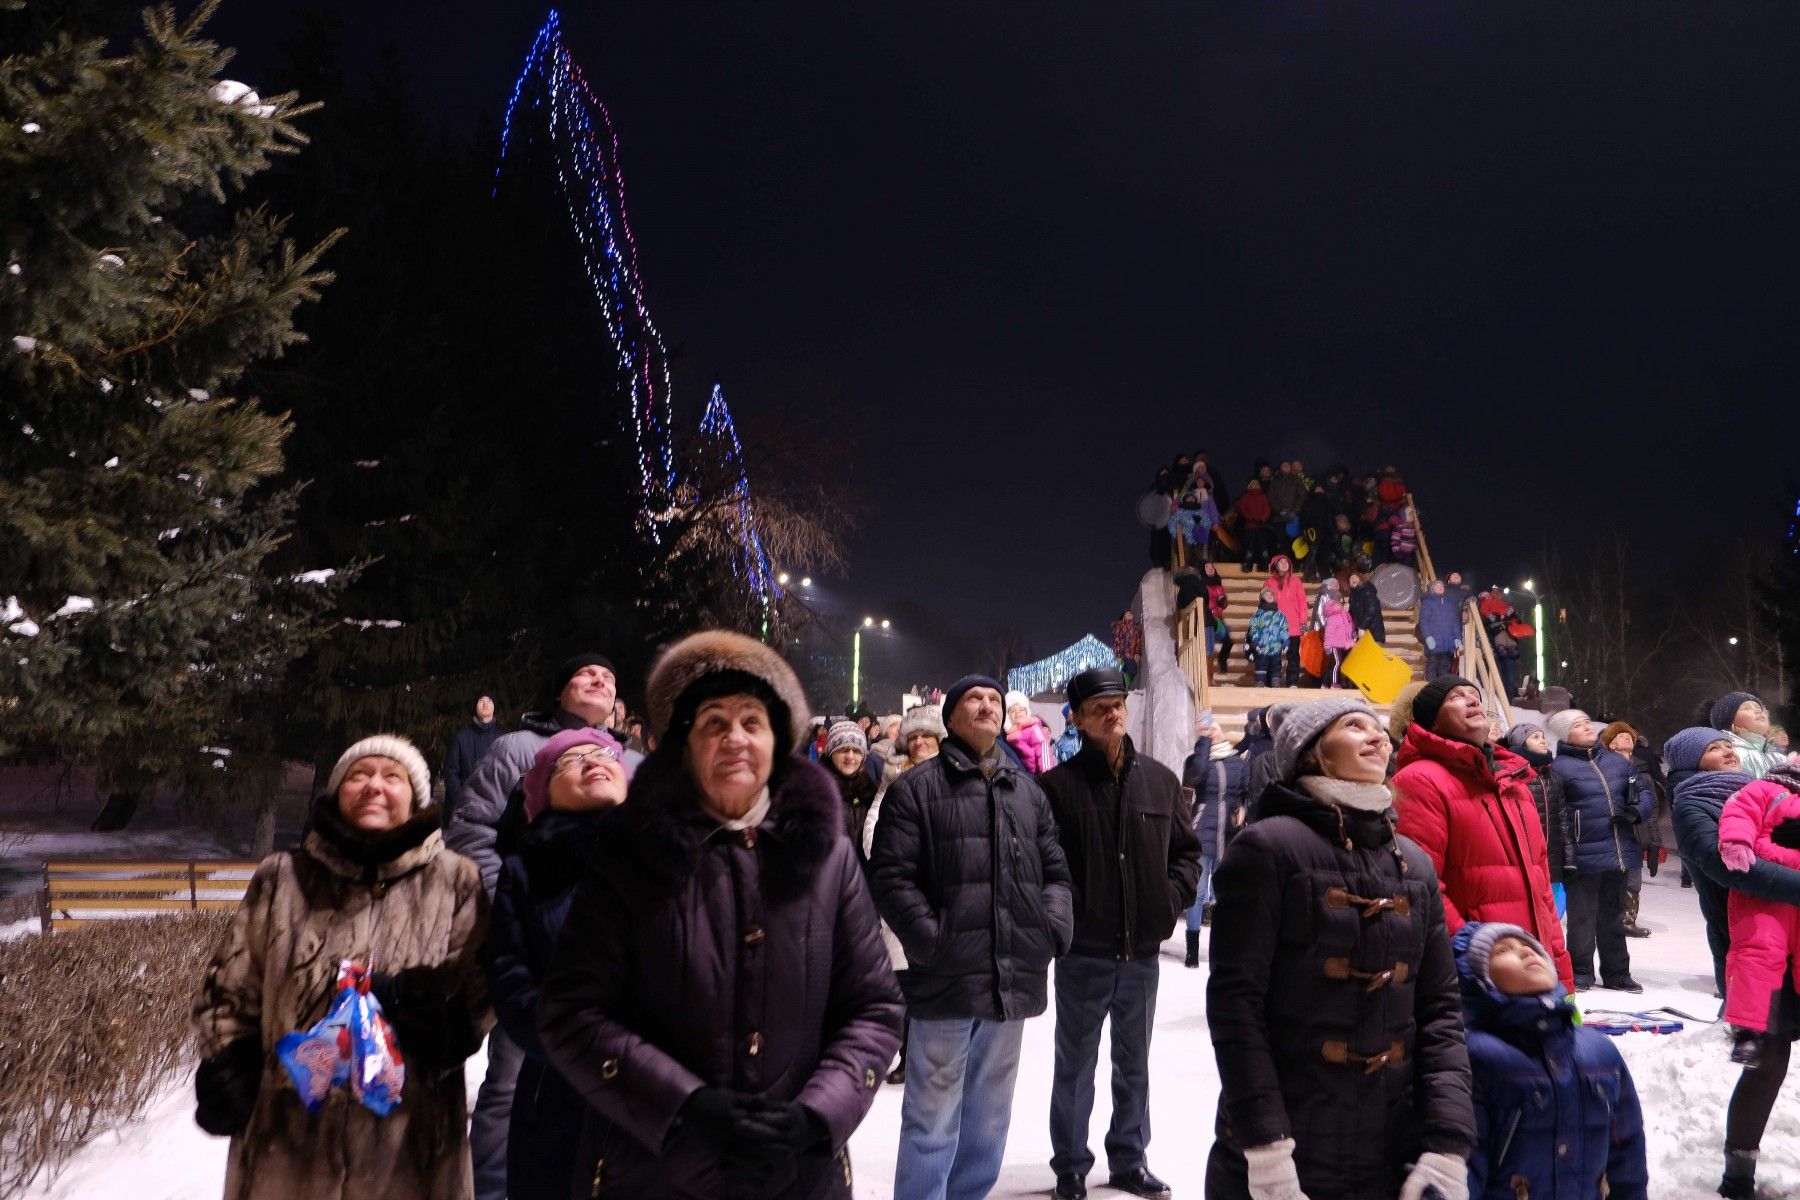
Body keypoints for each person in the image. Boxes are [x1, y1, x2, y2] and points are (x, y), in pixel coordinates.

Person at [537, 630, 903, 1198]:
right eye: (713, 722)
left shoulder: (826, 856)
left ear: (777, 739)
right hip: (653, 1166)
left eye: (751, 721)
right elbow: (571, 1012)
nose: (735, 738)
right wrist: (684, 1105)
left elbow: (874, 1009)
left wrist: (814, 1117)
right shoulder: (630, 852)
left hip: (799, 1170)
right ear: (684, 743)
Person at [192, 735, 490, 1200]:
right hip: (287, 1145)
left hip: (410, 1143)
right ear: (336, 793)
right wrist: (231, 1062)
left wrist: (436, 1012)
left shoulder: (456, 881)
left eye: (393, 777)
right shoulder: (282, 877)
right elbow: (230, 989)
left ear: (415, 799)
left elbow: (477, 992)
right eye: (359, 775)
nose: (375, 786)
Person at [1206, 695, 1475, 1200]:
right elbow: (1236, 1007)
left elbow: (1439, 1011)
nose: (1378, 736)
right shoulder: (1267, 847)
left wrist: (1446, 1141)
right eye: (1354, 726)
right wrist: (1265, 1146)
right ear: (1312, 752)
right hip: (1287, 1149)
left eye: (1378, 727)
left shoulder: (1412, 863)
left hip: (1386, 1153)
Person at [869, 674, 1074, 1200]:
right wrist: (933, 942)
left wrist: (1049, 931)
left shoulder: (1027, 790)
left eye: (994, 700)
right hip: (945, 983)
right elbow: (891, 878)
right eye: (974, 699)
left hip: (1012, 979)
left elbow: (1056, 873)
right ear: (951, 717)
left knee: (989, 1120)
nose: (987, 706)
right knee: (932, 1119)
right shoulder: (916, 789)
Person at [444, 651, 635, 1200]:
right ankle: (494, 1191)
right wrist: (513, 908)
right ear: (560, 692)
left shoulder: (630, 761)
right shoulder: (519, 749)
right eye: (585, 673)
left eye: (609, 676)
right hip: (538, 954)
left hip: (614, 967)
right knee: (511, 1082)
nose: (599, 680)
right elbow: (473, 830)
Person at [1038, 668, 1200, 1200]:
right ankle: (1069, 1165)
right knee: (1075, 1068)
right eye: (1098, 708)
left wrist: (1169, 899)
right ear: (1079, 720)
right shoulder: (1057, 789)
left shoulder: (1159, 779)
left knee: (1134, 1064)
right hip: (1084, 954)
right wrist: (1069, 916)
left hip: (1141, 956)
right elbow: (1046, 866)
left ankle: (1129, 1158)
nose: (1112, 713)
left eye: (1117, 703)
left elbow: (1186, 853)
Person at [482, 728, 633, 1199]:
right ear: (543, 792)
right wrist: (573, 1042)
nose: (593, 762)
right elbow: (510, 978)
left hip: (663, 1095)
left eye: (604, 754)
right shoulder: (524, 870)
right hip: (557, 1089)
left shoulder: (672, 852)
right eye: (572, 761)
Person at [1667, 728, 1800, 1199]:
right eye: (1711, 748)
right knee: (1768, 1061)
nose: (1725, 751)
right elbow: (1727, 865)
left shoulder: (1777, 789)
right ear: (1689, 761)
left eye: (1727, 745)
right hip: (1755, 945)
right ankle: (1738, 1173)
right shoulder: (1692, 803)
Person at [1391, 678, 1575, 989]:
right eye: (1456, 697)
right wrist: (1479, 957)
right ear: (1431, 719)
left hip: (1532, 974)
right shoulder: (1419, 780)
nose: (1472, 700)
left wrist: (1560, 976)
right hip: (1477, 980)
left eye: (1475, 695)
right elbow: (1422, 887)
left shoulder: (1514, 783)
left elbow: (1541, 890)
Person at [1453, 922, 1647, 1200]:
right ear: (1479, 978)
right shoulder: (1477, 1055)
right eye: (1504, 950)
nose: (1525, 953)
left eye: (1531, 947)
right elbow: (1464, 1162)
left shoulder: (1600, 1051)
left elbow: (1627, 1149)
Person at [1545, 709, 1651, 992]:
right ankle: (1580, 971)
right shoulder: (1559, 768)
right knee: (1582, 916)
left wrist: (1636, 812)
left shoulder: (1617, 762)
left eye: (1587, 722)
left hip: (1618, 850)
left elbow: (1645, 793)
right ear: (1567, 735)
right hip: (1583, 853)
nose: (1588, 728)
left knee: (1613, 914)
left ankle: (1617, 973)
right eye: (1578, 726)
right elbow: (1555, 813)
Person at [1716, 767, 1800, 1066]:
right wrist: (1736, 842)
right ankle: (1748, 1031)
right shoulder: (1766, 788)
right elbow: (1739, 812)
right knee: (1758, 953)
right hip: (1766, 894)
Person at [1182, 708, 1249, 965]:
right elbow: (1195, 775)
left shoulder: (1238, 762)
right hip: (1202, 829)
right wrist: (1204, 742)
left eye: (1216, 729)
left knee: (1224, 893)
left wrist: (1243, 808)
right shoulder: (1199, 759)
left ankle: (1221, 947)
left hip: (1229, 833)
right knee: (1197, 893)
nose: (1215, 731)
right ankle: (1192, 951)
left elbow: (1245, 791)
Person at [1500, 723, 1574, 893]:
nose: (1543, 741)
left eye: (1543, 737)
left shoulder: (1554, 777)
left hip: (1552, 862)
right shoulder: (1513, 774)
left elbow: (1563, 821)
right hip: (1523, 861)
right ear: (1522, 743)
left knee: (1552, 914)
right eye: (1535, 737)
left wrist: (1569, 860)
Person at [1601, 721, 1657, 938]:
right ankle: (1606, 917)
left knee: (1633, 878)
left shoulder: (1641, 770)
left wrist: (1654, 841)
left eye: (1630, 735)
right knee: (1609, 876)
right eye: (1620, 735)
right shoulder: (1601, 767)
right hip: (1609, 830)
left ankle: (1627, 920)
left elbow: (1651, 808)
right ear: (1611, 744)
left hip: (1634, 832)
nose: (1627, 737)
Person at [822, 718, 879, 854]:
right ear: (831, 753)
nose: (850, 756)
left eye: (856, 750)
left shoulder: (869, 791)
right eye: (843, 749)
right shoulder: (816, 791)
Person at [441, 694, 502, 818]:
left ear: (494, 706)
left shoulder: (503, 739)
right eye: (481, 700)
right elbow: (450, 773)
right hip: (464, 810)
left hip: (495, 811)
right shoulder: (460, 738)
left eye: (489, 701)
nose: (485, 704)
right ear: (475, 706)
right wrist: (462, 800)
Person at [1711, 691, 1792, 778]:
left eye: (1759, 707)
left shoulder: (1779, 757)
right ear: (1729, 721)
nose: (1758, 711)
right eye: (1746, 708)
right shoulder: (1730, 756)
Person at [1264, 555, 1308, 687]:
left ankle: (1292, 682)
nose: (1284, 564)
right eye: (1281, 562)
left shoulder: (1296, 581)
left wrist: (1303, 623)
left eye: (1286, 562)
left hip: (1293, 625)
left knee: (1293, 656)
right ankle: (1272, 681)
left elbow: (1302, 602)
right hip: (1275, 626)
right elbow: (1265, 603)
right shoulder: (1268, 583)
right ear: (1275, 565)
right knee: (1273, 655)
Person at [1418, 579, 1462, 680]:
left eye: (1442, 585)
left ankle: (1442, 690)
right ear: (1432, 588)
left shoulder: (1449, 604)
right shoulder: (1428, 602)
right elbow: (1424, 620)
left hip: (1447, 643)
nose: (1440, 587)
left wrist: (1457, 638)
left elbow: (1454, 622)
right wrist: (1428, 636)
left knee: (1444, 667)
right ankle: (1431, 690)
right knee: (1432, 666)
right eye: (1437, 586)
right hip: (1433, 641)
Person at [1316, 578, 1356, 688]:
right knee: (1336, 664)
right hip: (1334, 644)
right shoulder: (1333, 618)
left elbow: (1350, 628)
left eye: (1339, 603)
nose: (1339, 605)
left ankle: (1325, 683)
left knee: (1336, 664)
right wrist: (1327, 645)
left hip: (1344, 644)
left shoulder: (1345, 616)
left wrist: (1352, 639)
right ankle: (1335, 683)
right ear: (1331, 608)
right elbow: (1329, 632)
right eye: (1335, 604)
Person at [1006, 690, 1057, 774]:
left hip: (1038, 773)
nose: (1017, 712)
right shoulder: (1008, 735)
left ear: (1027, 712)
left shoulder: (1033, 728)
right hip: (1022, 774)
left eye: (1021, 709)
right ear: (1008, 716)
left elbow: (1043, 747)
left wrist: (1046, 770)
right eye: (1013, 711)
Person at [1249, 588, 1289, 688]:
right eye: (1267, 595)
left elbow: (1284, 628)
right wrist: (1256, 642)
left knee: (1276, 664)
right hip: (1262, 645)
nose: (1270, 596)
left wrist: (1285, 642)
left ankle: (1275, 681)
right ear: (1262, 599)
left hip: (1276, 645)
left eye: (1271, 595)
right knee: (1261, 663)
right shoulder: (1258, 615)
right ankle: (1260, 682)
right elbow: (1253, 628)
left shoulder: (1280, 614)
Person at [1234, 479, 1274, 572]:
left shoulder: (1264, 496)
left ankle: (1264, 566)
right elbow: (1243, 509)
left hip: (1262, 526)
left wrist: (1262, 519)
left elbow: (1267, 509)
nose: (1255, 485)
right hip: (1250, 526)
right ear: (1250, 486)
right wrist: (1251, 518)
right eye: (1253, 484)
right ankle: (1248, 565)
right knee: (1250, 546)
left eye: (1257, 484)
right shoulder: (1245, 497)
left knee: (1263, 546)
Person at [1347, 571, 1384, 646]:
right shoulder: (1353, 594)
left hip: (1372, 630)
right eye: (1351, 579)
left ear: (1361, 579)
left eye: (1355, 577)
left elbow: (1371, 610)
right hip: (1363, 630)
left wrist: (1362, 627)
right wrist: (1348, 606)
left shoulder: (1367, 590)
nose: (1353, 579)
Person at [1112, 610, 1143, 688]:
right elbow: (1117, 642)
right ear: (1123, 618)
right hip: (1123, 655)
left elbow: (1138, 642)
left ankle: (1124, 686)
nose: (1129, 615)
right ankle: (1123, 686)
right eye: (1127, 614)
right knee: (1130, 670)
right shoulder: (1120, 627)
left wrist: (1137, 653)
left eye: (1130, 613)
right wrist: (1118, 656)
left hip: (1132, 655)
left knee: (1133, 671)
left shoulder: (1136, 628)